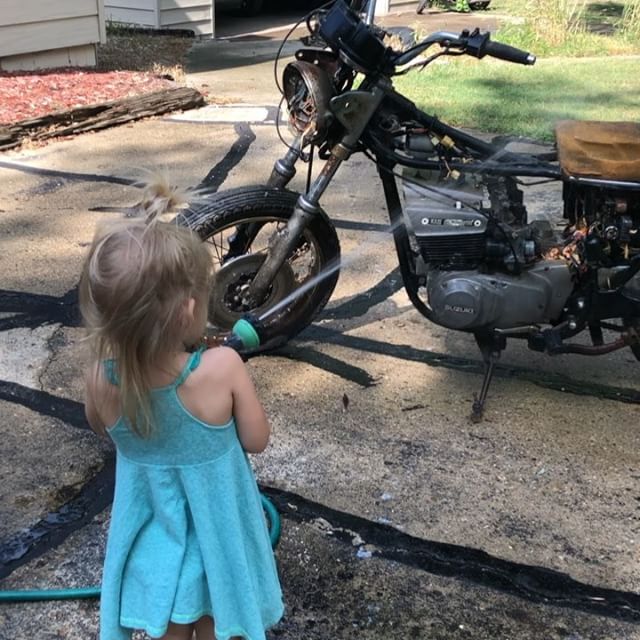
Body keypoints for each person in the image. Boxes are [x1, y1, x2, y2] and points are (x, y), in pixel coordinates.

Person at [80, 214, 284, 640]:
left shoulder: (101, 378)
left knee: (169, 625)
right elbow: (257, 440)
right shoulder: (223, 367)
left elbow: (101, 425)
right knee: (220, 620)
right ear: (190, 309)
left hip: (154, 544)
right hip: (219, 538)